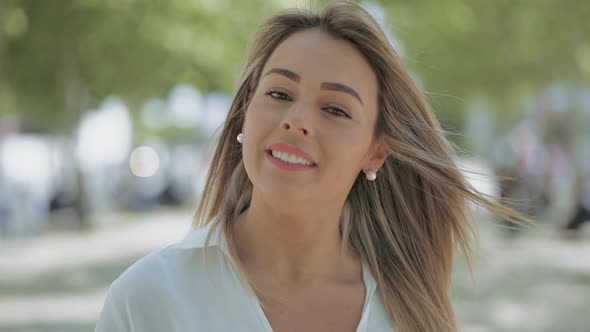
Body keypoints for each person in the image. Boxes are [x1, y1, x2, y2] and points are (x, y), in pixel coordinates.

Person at [95, 2, 526, 331]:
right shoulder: (146, 300)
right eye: (280, 94)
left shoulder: (408, 312)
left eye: (336, 109)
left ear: (375, 152)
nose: (296, 120)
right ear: (245, 113)